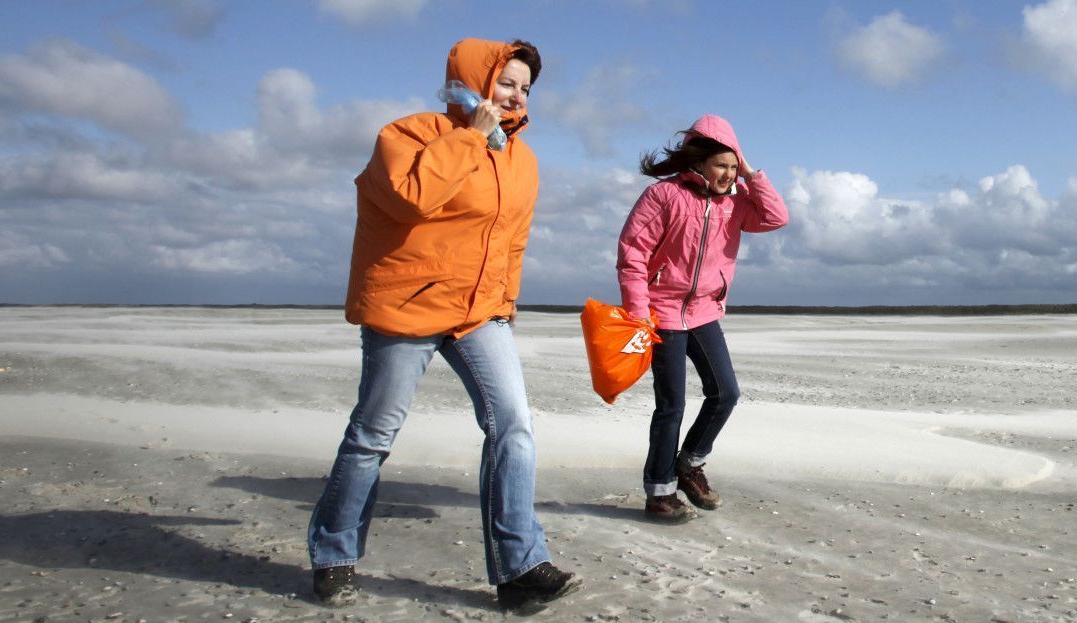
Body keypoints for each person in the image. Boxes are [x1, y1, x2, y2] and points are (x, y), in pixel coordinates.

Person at [305, 38, 579, 615]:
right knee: (373, 434)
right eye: (507, 82)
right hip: (408, 304)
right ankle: (334, 556)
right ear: (475, 78)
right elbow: (412, 199)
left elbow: (512, 239)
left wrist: (505, 304)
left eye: (525, 88)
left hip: (479, 312)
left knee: (514, 426)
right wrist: (470, 137)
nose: (516, 96)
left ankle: (521, 567)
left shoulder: (521, 158)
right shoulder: (407, 135)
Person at [616, 114, 790, 522]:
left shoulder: (736, 203)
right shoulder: (663, 196)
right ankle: (659, 493)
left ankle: (689, 463)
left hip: (704, 313)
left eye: (733, 167)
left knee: (725, 393)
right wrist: (640, 315)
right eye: (721, 166)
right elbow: (632, 255)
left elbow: (776, 217)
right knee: (671, 405)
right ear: (699, 162)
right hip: (661, 314)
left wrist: (750, 173)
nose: (728, 174)